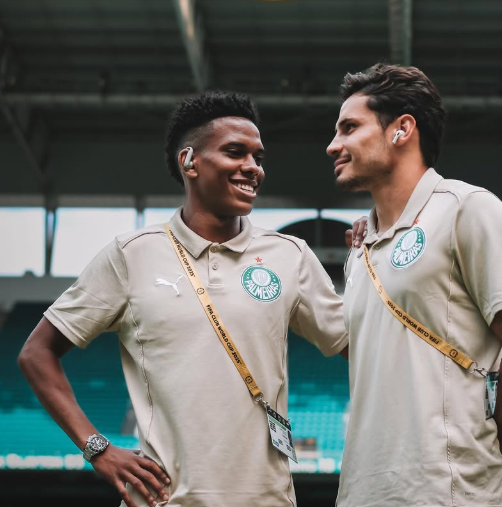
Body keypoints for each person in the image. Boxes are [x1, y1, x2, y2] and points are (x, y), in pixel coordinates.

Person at [18, 91, 348, 507]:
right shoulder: (131, 254)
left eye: (258, 157)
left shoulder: (290, 255)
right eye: (235, 152)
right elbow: (37, 353)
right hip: (162, 500)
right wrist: (97, 449)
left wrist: (376, 267)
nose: (252, 168)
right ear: (189, 161)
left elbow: (359, 346)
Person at [328, 64, 502, 507]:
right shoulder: (360, 249)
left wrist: (488, 459)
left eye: (349, 128)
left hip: (448, 494)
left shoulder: (468, 209)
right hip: (362, 491)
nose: (332, 145)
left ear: (402, 130)